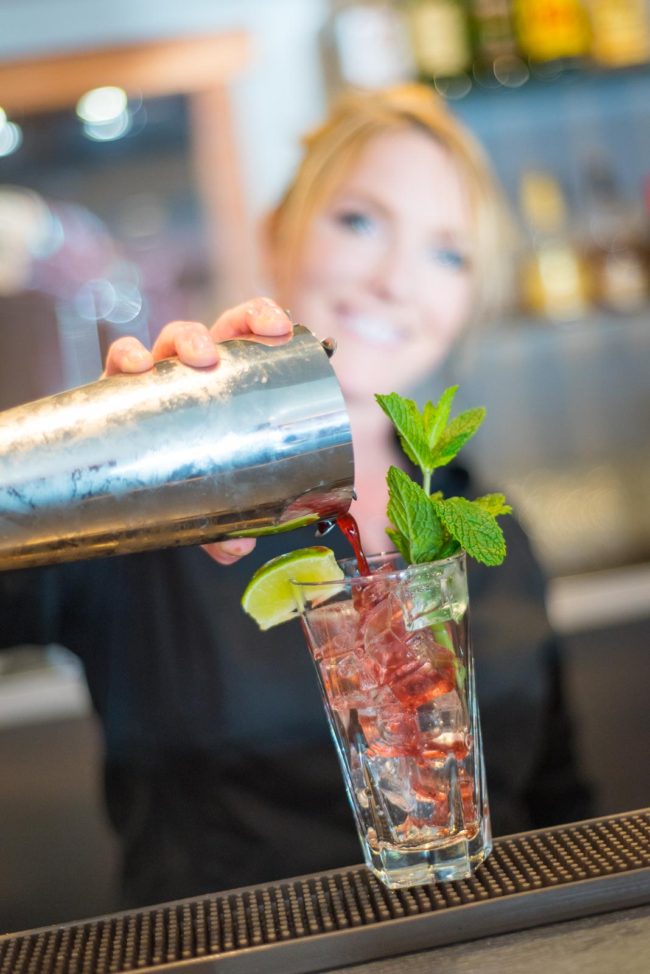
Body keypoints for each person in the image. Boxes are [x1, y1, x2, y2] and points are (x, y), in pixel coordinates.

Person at [0, 84, 591, 909]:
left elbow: (563, 810)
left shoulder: (490, 531)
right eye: (359, 221)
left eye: (449, 253)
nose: (393, 279)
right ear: (279, 234)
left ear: (469, 301)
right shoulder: (161, 514)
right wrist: (102, 463)